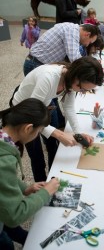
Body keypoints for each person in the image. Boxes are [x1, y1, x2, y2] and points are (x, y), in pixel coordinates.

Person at [11, 56, 104, 181]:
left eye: (86, 90)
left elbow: (69, 107)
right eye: (81, 88)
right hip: (23, 112)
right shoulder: (48, 77)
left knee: (52, 145)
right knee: (37, 156)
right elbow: (32, 116)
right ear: (75, 76)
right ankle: (41, 185)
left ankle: (52, 178)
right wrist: (59, 134)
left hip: (43, 104)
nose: (81, 92)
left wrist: (78, 134)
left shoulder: (71, 80)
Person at [0, 98, 60, 250]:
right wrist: (45, 193)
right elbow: (14, 215)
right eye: (39, 132)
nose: (38, 135)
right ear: (28, 128)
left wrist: (25, 188)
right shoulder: (4, 160)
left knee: (12, 233)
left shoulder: (4, 138)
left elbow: (5, 179)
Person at [23, 22, 99, 76]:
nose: (87, 45)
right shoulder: (72, 32)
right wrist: (93, 68)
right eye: (90, 42)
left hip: (39, 64)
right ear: (87, 34)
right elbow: (76, 60)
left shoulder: (72, 28)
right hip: (35, 65)